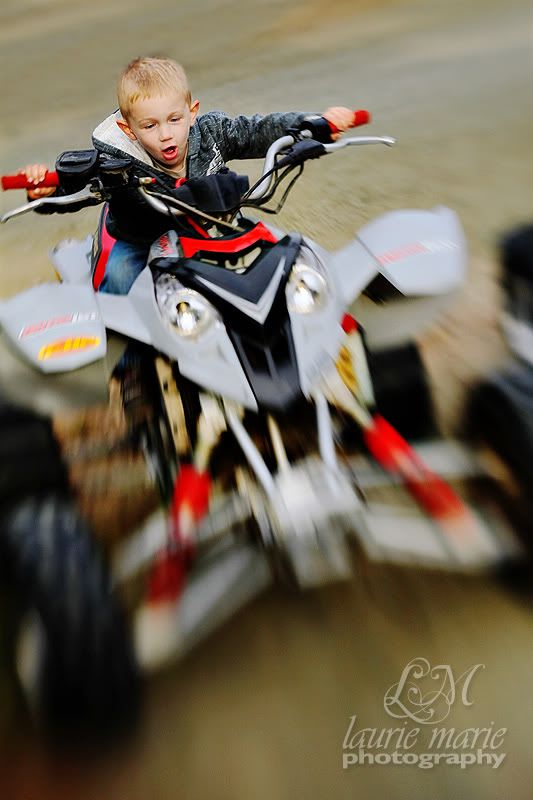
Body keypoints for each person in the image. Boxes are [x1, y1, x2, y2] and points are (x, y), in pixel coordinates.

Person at [22, 56, 356, 294]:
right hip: (140, 239)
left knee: (282, 258)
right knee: (120, 284)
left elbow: (258, 130)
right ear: (129, 129)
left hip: (217, 226)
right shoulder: (115, 160)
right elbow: (77, 187)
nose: (166, 134)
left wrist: (314, 125)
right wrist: (44, 193)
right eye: (150, 126)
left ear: (191, 112)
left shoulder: (211, 132)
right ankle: (129, 372)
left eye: (174, 120)